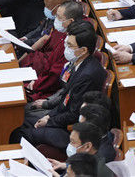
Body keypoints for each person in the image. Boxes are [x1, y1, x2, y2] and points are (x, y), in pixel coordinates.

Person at [10, 21, 106, 150]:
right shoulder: (76, 62)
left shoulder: (87, 75)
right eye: (66, 43)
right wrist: (49, 116)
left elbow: (74, 113)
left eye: (70, 45)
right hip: (60, 114)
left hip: (71, 130)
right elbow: (65, 98)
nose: (65, 47)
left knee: (21, 132)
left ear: (83, 50)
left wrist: (49, 121)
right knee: (17, 121)